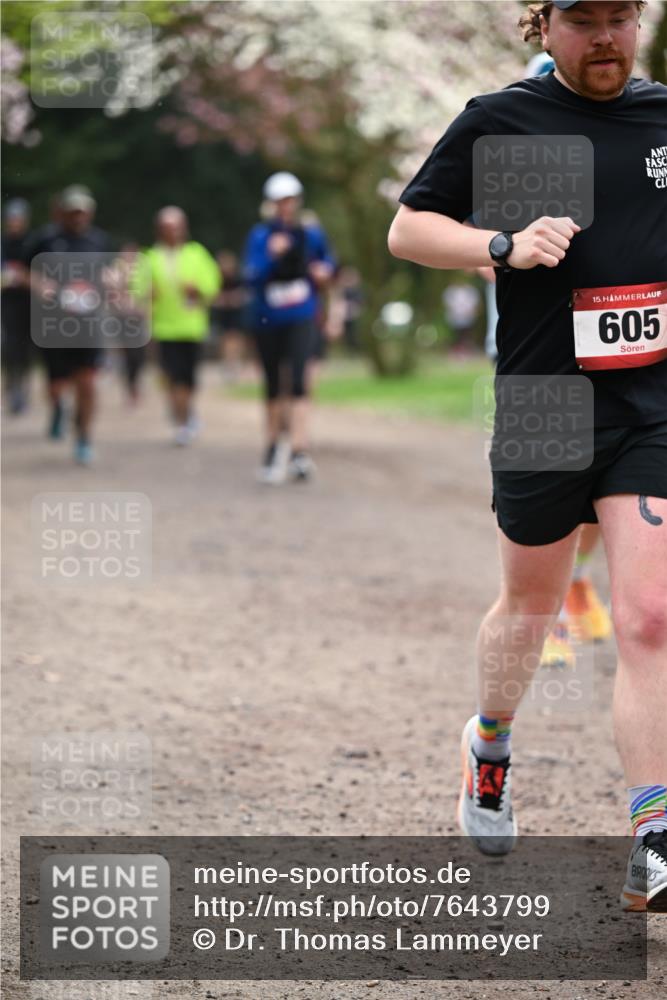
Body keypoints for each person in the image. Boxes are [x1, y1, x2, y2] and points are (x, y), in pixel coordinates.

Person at [389, 0, 667, 910]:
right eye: (583, 18)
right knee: (531, 606)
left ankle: (653, 832)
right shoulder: (501, 119)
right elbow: (409, 230)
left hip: (650, 401)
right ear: (542, 25)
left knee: (651, 616)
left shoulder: (660, 119)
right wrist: (501, 245)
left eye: (620, 15)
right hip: (545, 402)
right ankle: (491, 744)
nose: (605, 37)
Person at [244, 172, 335, 484]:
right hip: (268, 318)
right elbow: (252, 275)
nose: (286, 206)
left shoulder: (310, 233)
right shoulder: (260, 236)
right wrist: (272, 255)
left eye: (290, 200)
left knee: (298, 382)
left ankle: (299, 450)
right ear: (271, 204)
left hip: (301, 315)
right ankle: (272, 446)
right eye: (280, 201)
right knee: (272, 385)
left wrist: (324, 272)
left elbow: (327, 264)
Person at [27, 185, 110, 465]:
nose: (78, 217)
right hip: (54, 324)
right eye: (73, 212)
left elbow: (111, 273)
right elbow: (27, 272)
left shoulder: (99, 241)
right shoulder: (46, 240)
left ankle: (84, 437)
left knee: (87, 382)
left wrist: (113, 283)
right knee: (56, 385)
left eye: (83, 212)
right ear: (63, 212)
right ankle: (58, 408)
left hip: (88, 323)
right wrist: (40, 286)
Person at [134, 207, 220, 445]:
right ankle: (182, 421)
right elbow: (138, 290)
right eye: (168, 227)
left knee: (189, 377)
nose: (173, 232)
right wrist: (148, 294)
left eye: (177, 226)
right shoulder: (150, 257)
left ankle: (185, 411)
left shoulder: (196, 254)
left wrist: (198, 290)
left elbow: (212, 285)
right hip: (163, 328)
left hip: (192, 327)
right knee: (172, 376)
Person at [1, 199, 33, 414]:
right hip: (7, 302)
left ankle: (22, 385)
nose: (14, 223)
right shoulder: (2, 244)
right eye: (11, 219)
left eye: (18, 219)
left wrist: (24, 278)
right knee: (10, 346)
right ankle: (12, 384)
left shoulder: (31, 244)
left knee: (26, 348)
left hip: (28, 303)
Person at [210, 250, 250, 383]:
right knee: (225, 339)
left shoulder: (239, 278)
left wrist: (233, 299)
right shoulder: (217, 279)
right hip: (224, 314)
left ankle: (236, 362)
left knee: (236, 338)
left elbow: (244, 294)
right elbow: (213, 296)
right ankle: (228, 363)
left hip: (237, 313)